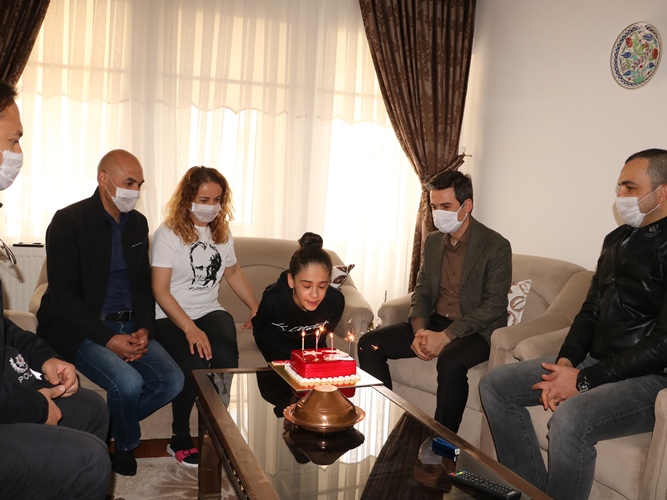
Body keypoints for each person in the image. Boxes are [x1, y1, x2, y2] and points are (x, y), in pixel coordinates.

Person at [479, 148, 667, 500]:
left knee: (569, 419)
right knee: (495, 385)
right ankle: (529, 493)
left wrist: (582, 380)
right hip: (596, 361)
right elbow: (590, 311)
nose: (620, 195)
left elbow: (662, 345)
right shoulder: (616, 240)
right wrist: (567, 362)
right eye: (619, 186)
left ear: (662, 192)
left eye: (630, 187)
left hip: (650, 379)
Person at [36, 148, 184, 476]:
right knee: (128, 383)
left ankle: (105, 428)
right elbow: (63, 294)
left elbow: (142, 285)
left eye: (139, 184)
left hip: (129, 322)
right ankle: (125, 446)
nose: (136, 191)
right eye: (129, 182)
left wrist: (145, 328)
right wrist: (108, 338)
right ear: (103, 179)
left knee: (173, 380)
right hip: (81, 327)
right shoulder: (68, 221)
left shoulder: (138, 224)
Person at [0, 80, 111, 500]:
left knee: (92, 407)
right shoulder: (70, 221)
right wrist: (33, 406)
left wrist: (45, 358)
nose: (18, 153)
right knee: (88, 460)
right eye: (13, 140)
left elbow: (4, 328)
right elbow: (61, 295)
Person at [358, 170, 512, 432]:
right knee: (368, 344)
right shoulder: (433, 242)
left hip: (476, 331)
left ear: (467, 206)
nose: (438, 213)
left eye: (446, 207)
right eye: (434, 207)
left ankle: (443, 440)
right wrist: (420, 331)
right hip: (436, 320)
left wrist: (446, 336)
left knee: (450, 362)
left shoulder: (495, 245)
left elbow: (494, 305)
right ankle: (383, 418)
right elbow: (422, 291)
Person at [151, 166, 259, 467]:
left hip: (209, 309)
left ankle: (217, 429)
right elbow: (159, 290)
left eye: (217, 200)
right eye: (204, 199)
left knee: (225, 354)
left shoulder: (221, 233)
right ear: (188, 198)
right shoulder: (168, 234)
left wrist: (255, 306)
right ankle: (179, 438)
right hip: (169, 314)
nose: (211, 206)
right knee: (195, 361)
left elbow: (233, 271)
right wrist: (189, 329)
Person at [252, 232, 345, 362]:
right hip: (279, 355)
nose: (314, 294)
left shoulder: (335, 302)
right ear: (291, 281)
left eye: (322, 286)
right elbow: (263, 334)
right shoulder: (273, 301)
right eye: (307, 286)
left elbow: (321, 338)